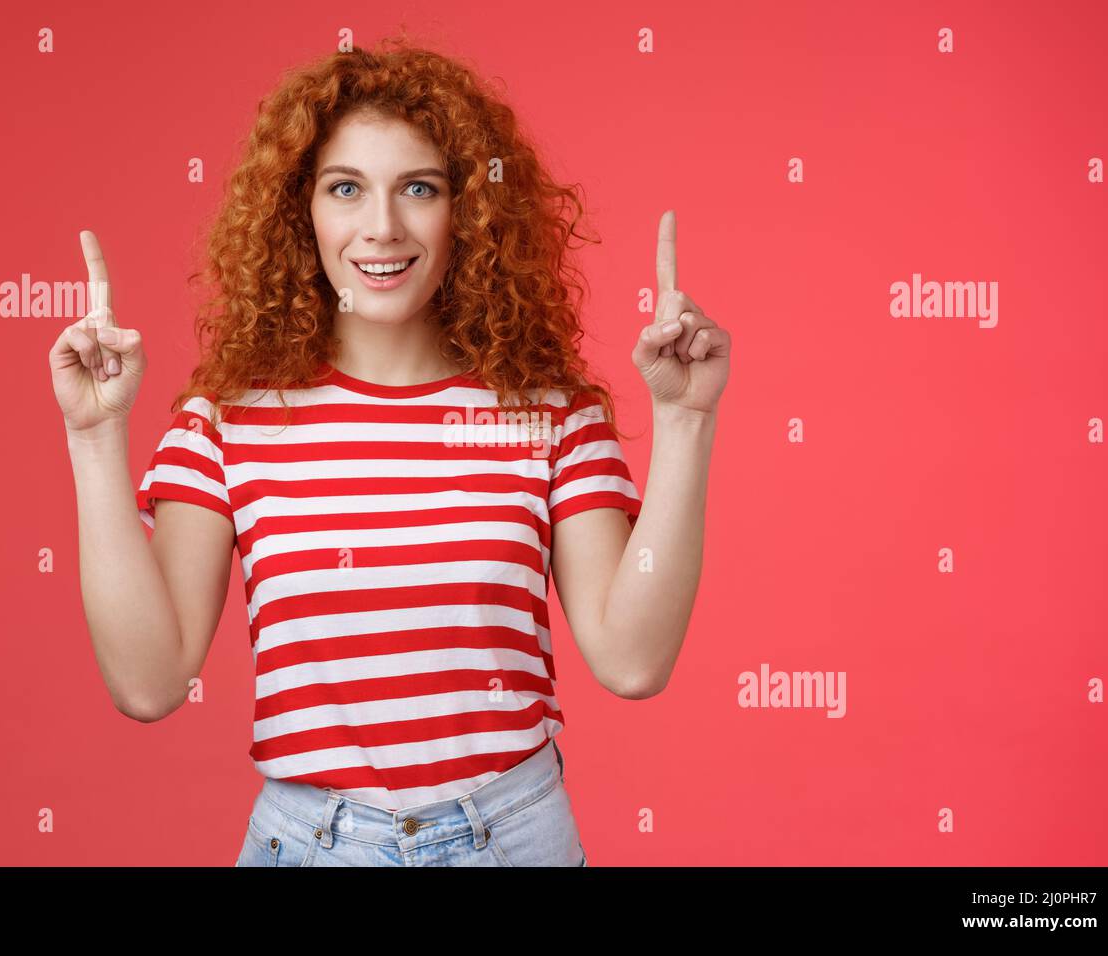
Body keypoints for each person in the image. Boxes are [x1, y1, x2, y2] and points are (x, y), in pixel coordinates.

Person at [49, 39, 730, 867]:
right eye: (346, 189)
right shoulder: (226, 423)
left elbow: (633, 662)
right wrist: (94, 438)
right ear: (302, 211)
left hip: (513, 841)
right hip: (307, 846)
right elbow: (148, 684)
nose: (382, 227)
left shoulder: (550, 415)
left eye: (419, 188)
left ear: (468, 213)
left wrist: (686, 422)